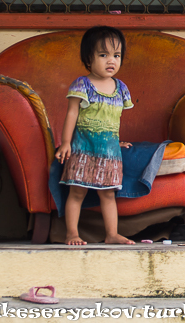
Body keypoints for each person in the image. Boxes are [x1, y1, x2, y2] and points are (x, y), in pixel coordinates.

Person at [55, 26, 135, 245]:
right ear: (88, 59)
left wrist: (115, 141)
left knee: (108, 194)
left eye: (116, 55)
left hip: (109, 152)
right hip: (83, 149)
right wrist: (65, 143)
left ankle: (112, 234)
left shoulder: (121, 88)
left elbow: (112, 119)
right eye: (103, 55)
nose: (111, 60)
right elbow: (72, 113)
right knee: (77, 193)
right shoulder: (83, 85)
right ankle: (72, 233)